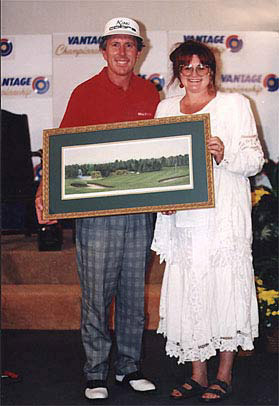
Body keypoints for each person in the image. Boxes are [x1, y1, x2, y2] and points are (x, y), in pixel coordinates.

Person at [35, 17, 160, 400]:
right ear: (103, 51)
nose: (122, 52)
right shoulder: (85, 92)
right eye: (115, 45)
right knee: (96, 293)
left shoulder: (150, 93)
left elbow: (161, 149)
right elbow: (61, 147)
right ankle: (95, 373)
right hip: (96, 211)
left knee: (132, 294)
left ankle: (128, 367)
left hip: (138, 211)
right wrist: (45, 191)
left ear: (139, 51)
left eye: (130, 45)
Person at [151, 40, 264, 403]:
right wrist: (161, 202)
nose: (195, 74)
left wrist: (225, 153)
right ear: (178, 73)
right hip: (183, 218)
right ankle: (198, 373)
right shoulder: (166, 108)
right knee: (190, 289)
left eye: (202, 67)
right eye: (187, 68)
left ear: (212, 70)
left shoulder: (235, 105)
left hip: (224, 216)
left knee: (225, 287)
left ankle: (224, 374)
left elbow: (254, 161)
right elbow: (158, 167)